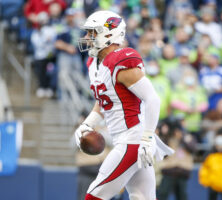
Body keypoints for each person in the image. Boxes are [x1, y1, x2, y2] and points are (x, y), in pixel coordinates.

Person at [75, 10, 174, 200]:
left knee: (94, 195)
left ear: (109, 34)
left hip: (134, 140)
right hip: (126, 139)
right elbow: (104, 100)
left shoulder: (120, 60)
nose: (87, 37)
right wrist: (88, 124)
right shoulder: (94, 63)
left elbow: (153, 99)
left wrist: (146, 137)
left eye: (92, 33)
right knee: (142, 197)